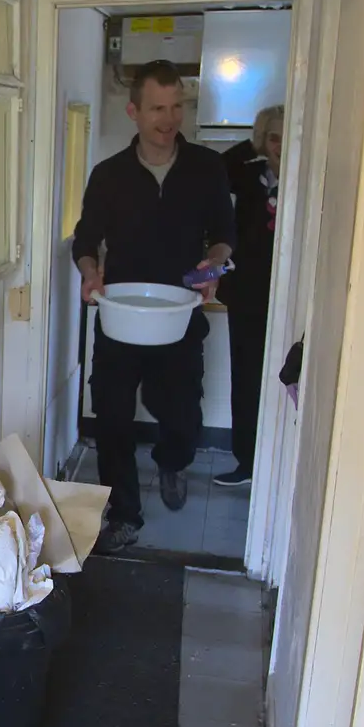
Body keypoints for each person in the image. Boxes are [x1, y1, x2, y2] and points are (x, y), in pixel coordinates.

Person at [74, 61, 236, 553]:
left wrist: (211, 268)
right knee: (113, 416)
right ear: (134, 112)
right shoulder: (109, 175)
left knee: (182, 413)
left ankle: (172, 460)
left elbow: (225, 238)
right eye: (158, 108)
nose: (169, 119)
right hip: (121, 314)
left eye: (177, 107)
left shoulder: (207, 168)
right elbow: (86, 238)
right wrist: (90, 273)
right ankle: (123, 513)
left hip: (180, 313)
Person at [215, 105, 285, 487]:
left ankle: (281, 463)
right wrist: (254, 143)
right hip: (246, 296)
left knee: (285, 379)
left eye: (290, 137)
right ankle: (247, 463)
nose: (281, 146)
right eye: (274, 137)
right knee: (246, 379)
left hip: (289, 298)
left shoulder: (309, 178)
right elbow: (215, 167)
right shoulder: (247, 175)